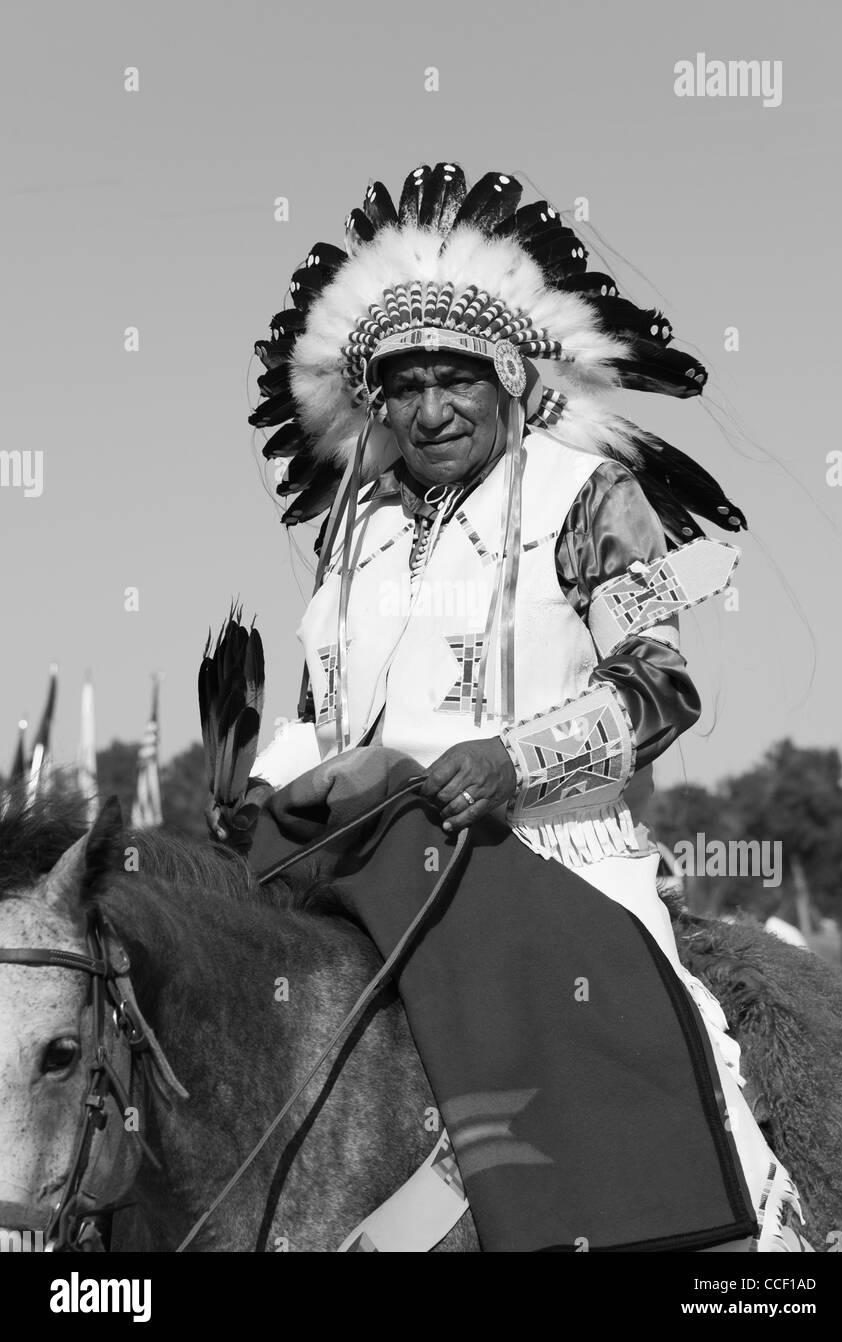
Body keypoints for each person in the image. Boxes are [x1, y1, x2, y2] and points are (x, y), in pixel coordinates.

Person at [231, 162, 807, 1251]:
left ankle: (749, 1257)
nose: (429, 406)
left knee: (704, 1103)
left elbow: (656, 687)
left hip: (558, 858)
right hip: (364, 868)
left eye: (453, 375)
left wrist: (510, 762)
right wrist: (261, 794)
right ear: (374, 399)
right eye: (402, 384)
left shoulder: (588, 496)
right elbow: (318, 710)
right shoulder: (350, 534)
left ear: (504, 374)